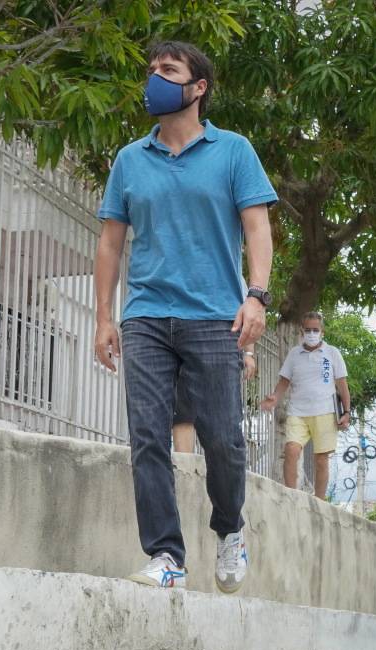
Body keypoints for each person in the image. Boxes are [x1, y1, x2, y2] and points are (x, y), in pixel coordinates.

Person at [94, 41, 276, 594]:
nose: (155, 79)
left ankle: (230, 530)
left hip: (214, 317)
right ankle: (167, 554)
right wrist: (105, 317)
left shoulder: (234, 151)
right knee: (147, 437)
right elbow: (109, 244)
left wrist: (257, 296)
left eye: (168, 71)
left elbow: (257, 228)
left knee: (223, 439)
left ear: (198, 88)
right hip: (145, 315)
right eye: (152, 71)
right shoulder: (130, 159)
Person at [260, 312, 351, 497]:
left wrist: (347, 412)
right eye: (307, 330)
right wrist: (275, 397)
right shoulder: (294, 353)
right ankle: (291, 498)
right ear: (301, 332)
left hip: (325, 413)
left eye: (315, 330)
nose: (311, 333)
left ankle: (318, 504)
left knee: (321, 460)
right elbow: (285, 380)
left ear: (322, 331)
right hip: (297, 412)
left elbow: (342, 385)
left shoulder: (332, 353)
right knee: (291, 450)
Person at [173, 356, 256, 453]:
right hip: (183, 355)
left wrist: (249, 353)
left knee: (223, 419)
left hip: (218, 358)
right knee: (184, 414)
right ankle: (184, 465)